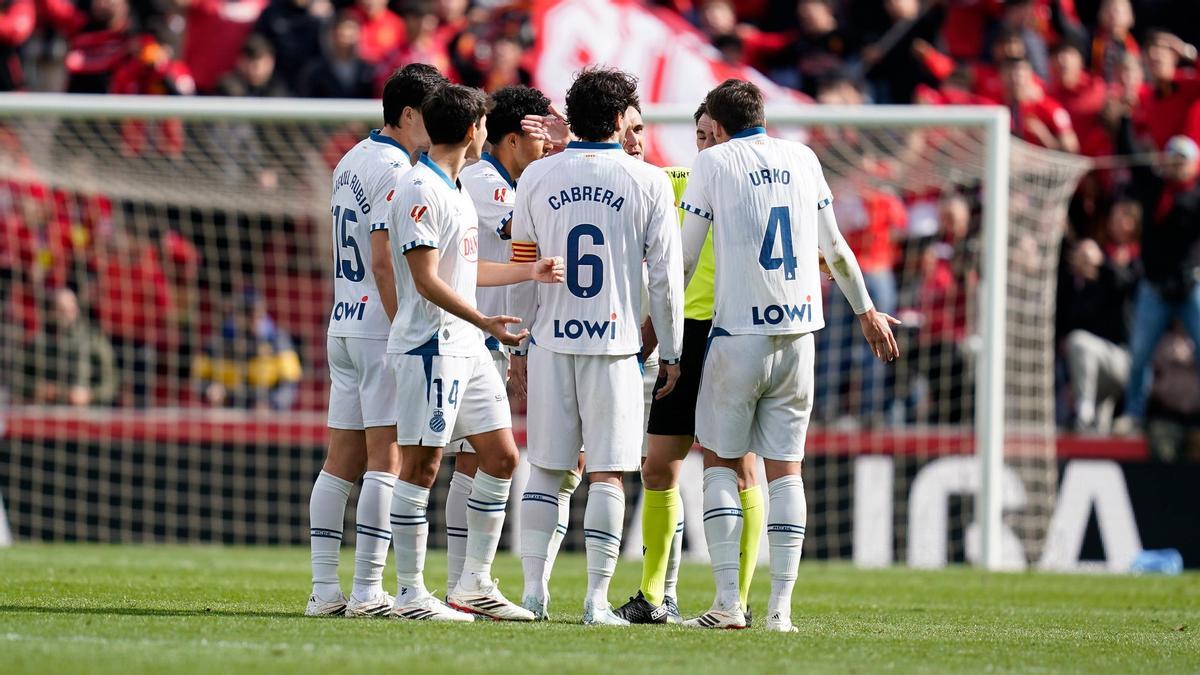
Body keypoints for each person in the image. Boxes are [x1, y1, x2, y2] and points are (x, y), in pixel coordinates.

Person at [677, 79, 898, 632]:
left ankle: (728, 604)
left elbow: (682, 260)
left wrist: (659, 331)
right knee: (786, 473)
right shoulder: (803, 157)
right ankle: (781, 612)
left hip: (737, 338)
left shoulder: (714, 162)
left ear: (720, 128)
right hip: (801, 339)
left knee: (721, 464)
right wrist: (866, 312)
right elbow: (838, 250)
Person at [510, 66, 684, 625]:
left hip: (550, 339)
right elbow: (665, 279)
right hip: (615, 344)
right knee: (608, 472)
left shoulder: (536, 176)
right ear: (617, 119)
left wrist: (516, 343)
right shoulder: (649, 179)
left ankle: (534, 593)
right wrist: (673, 351)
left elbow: (522, 267)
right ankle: (594, 601)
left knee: (546, 468)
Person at [385, 83, 562, 622]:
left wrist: (526, 271)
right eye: (483, 125)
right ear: (471, 131)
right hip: (429, 346)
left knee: (503, 456)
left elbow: (468, 269)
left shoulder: (457, 188)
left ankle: (473, 584)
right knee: (421, 465)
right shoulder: (419, 188)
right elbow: (426, 280)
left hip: (466, 345)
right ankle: (412, 593)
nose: (486, 133)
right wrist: (482, 318)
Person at [304, 63, 446, 618]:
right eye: (430, 115)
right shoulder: (394, 168)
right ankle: (367, 591)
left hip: (343, 318)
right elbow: (385, 258)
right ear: (409, 114)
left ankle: (324, 591)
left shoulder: (351, 159)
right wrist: (401, 326)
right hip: (377, 326)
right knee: (385, 460)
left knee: (339, 461)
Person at [613, 102, 763, 626]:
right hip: (684, 336)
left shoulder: (757, 189)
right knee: (658, 468)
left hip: (733, 333)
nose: (702, 145)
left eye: (709, 135)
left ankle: (738, 598)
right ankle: (656, 596)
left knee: (739, 468)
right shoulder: (679, 180)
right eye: (697, 135)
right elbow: (635, 176)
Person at [447, 84, 551, 594]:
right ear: (512, 139)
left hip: (498, 341)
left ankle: (462, 582)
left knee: (473, 458)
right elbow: (525, 234)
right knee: (473, 458)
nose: (548, 147)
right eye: (540, 137)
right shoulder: (483, 176)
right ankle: (463, 581)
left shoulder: (510, 177)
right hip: (473, 336)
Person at [1120, 135, 1200, 432]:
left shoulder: (1196, 196)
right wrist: (1126, 124)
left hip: (1190, 287)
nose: (1177, 165)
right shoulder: (1154, 189)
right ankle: (1134, 413)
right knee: (1140, 353)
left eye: (1183, 159)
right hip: (1154, 288)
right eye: (1173, 158)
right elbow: (1128, 152)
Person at [193, 286, 302, 410]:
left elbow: (290, 384)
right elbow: (198, 378)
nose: (253, 320)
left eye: (257, 314)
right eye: (247, 314)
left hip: (266, 411)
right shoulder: (220, 340)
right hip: (228, 408)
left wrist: (272, 404)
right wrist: (209, 389)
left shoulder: (278, 341)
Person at [24, 287, 118, 407]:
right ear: (51, 311)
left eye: (70, 309)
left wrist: (90, 395)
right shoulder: (38, 343)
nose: (66, 314)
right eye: (60, 309)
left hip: (84, 413)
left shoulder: (93, 340)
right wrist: (37, 389)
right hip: (45, 411)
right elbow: (18, 380)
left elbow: (111, 382)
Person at [297, 12, 375, 99]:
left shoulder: (368, 71)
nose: (346, 42)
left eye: (351, 36)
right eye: (341, 36)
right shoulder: (315, 71)